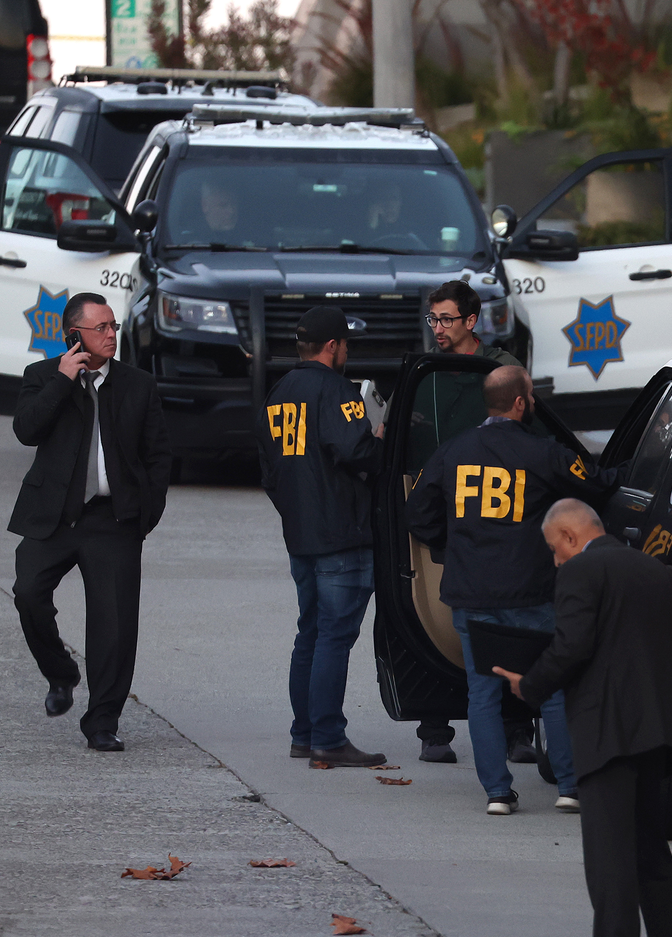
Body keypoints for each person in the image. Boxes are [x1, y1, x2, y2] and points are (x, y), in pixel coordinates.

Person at [494, 499, 672, 937]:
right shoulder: (658, 572)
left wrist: (528, 685)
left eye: (554, 550)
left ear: (570, 535)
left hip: (606, 730)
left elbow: (573, 644)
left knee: (609, 858)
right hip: (657, 731)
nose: (556, 562)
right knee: (650, 852)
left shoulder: (581, 572)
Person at [406, 367, 614, 812]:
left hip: (470, 592)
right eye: (532, 396)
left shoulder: (452, 451)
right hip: (532, 593)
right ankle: (569, 788)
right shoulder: (543, 452)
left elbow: (417, 514)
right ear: (520, 403)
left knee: (481, 693)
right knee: (552, 688)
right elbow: (597, 484)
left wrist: (455, 544)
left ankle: (498, 794)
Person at [9, 293, 170, 752]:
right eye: (100, 328)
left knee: (114, 625)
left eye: (113, 326)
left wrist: (145, 515)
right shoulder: (41, 377)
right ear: (73, 335)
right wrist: (62, 381)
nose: (111, 335)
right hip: (54, 517)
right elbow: (27, 431)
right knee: (28, 593)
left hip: (113, 520)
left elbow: (159, 456)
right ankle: (61, 673)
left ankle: (102, 721)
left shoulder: (137, 385)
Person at [259, 306, 389, 768]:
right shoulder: (337, 389)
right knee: (334, 636)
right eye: (346, 344)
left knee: (310, 634)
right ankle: (328, 739)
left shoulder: (279, 392)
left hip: (302, 534)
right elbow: (356, 450)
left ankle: (305, 734)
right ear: (333, 347)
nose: (347, 352)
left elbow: (269, 472)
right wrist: (379, 439)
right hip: (341, 536)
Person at [427, 280, 522, 368]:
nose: (438, 330)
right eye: (433, 319)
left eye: (447, 320)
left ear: (470, 322)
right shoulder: (425, 366)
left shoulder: (503, 366)